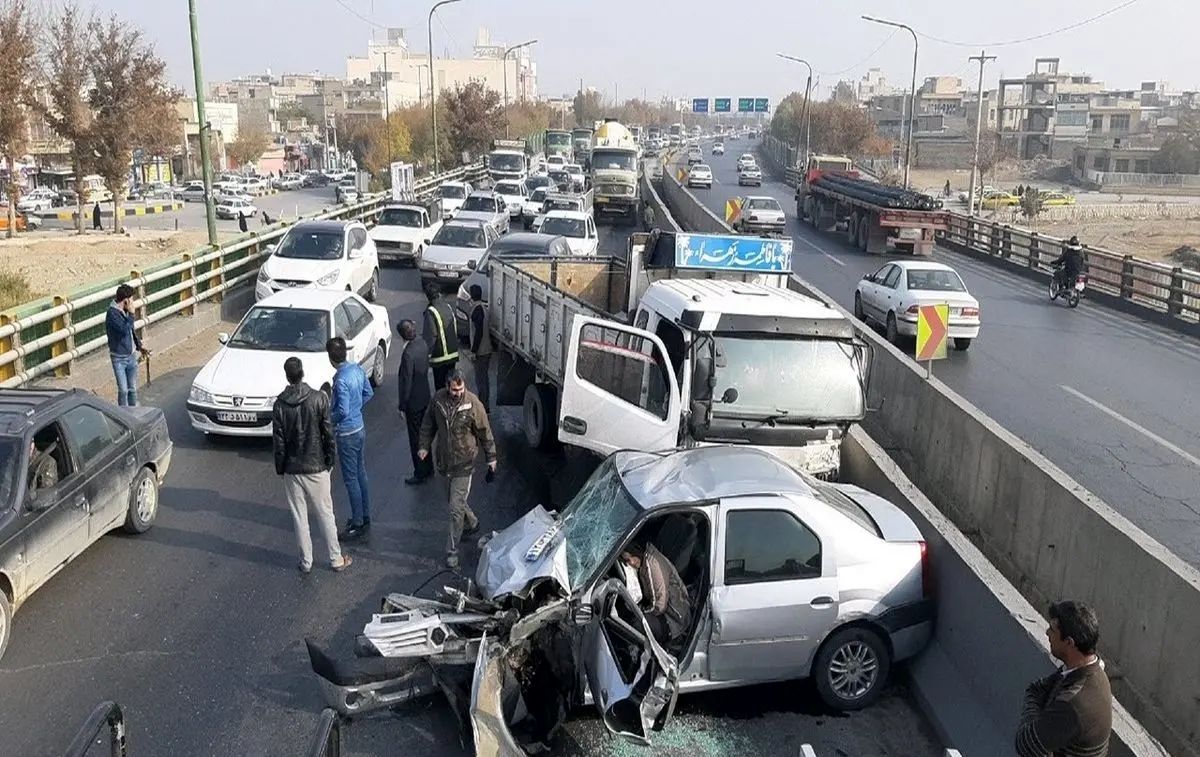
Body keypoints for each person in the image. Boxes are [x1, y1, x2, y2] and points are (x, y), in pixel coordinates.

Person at [272, 357, 352, 574]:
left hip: (292, 468)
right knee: (325, 513)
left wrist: (281, 468)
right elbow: (327, 433)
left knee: (299, 517)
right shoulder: (318, 398)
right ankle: (335, 558)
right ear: (302, 373)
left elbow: (278, 442)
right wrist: (329, 460)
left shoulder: (279, 405)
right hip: (316, 466)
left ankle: (306, 561)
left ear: (287, 375)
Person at [418, 370, 496, 569]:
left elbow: (484, 431)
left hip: (464, 464)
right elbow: (428, 424)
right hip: (444, 463)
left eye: (460, 389)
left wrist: (491, 458)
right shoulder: (437, 401)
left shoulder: (472, 404)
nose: (458, 393)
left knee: (454, 509)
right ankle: (472, 522)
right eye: (454, 389)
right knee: (454, 502)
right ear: (447, 386)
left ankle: (452, 551)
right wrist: (424, 446)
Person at [1015, 600, 1111, 756]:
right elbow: (1038, 688)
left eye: (1052, 630)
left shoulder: (1073, 704)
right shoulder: (1088, 667)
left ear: (1069, 642)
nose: (1047, 633)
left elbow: (1025, 744)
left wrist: (1034, 720)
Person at [327, 337, 374, 540]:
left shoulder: (340, 380)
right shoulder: (356, 370)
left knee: (351, 478)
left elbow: (343, 410)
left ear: (330, 358)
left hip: (346, 433)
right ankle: (365, 514)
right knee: (360, 472)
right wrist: (357, 409)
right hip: (360, 428)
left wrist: (330, 420)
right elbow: (368, 393)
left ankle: (357, 522)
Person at [618, 541, 691, 646]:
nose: (631, 563)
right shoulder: (643, 562)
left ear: (636, 552)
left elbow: (660, 606)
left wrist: (642, 611)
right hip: (663, 610)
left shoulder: (653, 566)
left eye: (630, 559)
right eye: (626, 561)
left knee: (634, 624)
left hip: (674, 620)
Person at [396, 319, 433, 485]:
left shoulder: (408, 354)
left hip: (413, 403)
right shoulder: (422, 344)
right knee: (425, 435)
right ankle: (429, 467)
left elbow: (406, 382)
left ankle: (420, 471)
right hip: (425, 396)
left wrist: (402, 406)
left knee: (416, 439)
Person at [106, 284, 150, 407]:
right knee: (123, 390)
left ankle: (133, 411)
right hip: (119, 358)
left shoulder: (124, 311)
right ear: (125, 300)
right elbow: (124, 330)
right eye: (131, 299)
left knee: (132, 388)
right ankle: (123, 414)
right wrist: (131, 314)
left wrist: (139, 346)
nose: (133, 302)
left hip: (131, 356)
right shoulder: (112, 314)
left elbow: (131, 331)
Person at [422, 282, 459, 390]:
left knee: (441, 389)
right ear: (439, 294)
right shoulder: (448, 307)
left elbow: (431, 335)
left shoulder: (431, 311)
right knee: (451, 385)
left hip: (439, 357)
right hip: (453, 354)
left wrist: (427, 355)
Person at [466, 285, 492, 411]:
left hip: (481, 352)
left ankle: (483, 407)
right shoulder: (484, 308)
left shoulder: (476, 310)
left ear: (471, 295)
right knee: (484, 380)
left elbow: (478, 333)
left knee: (481, 381)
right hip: (487, 350)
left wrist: (473, 351)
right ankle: (485, 406)